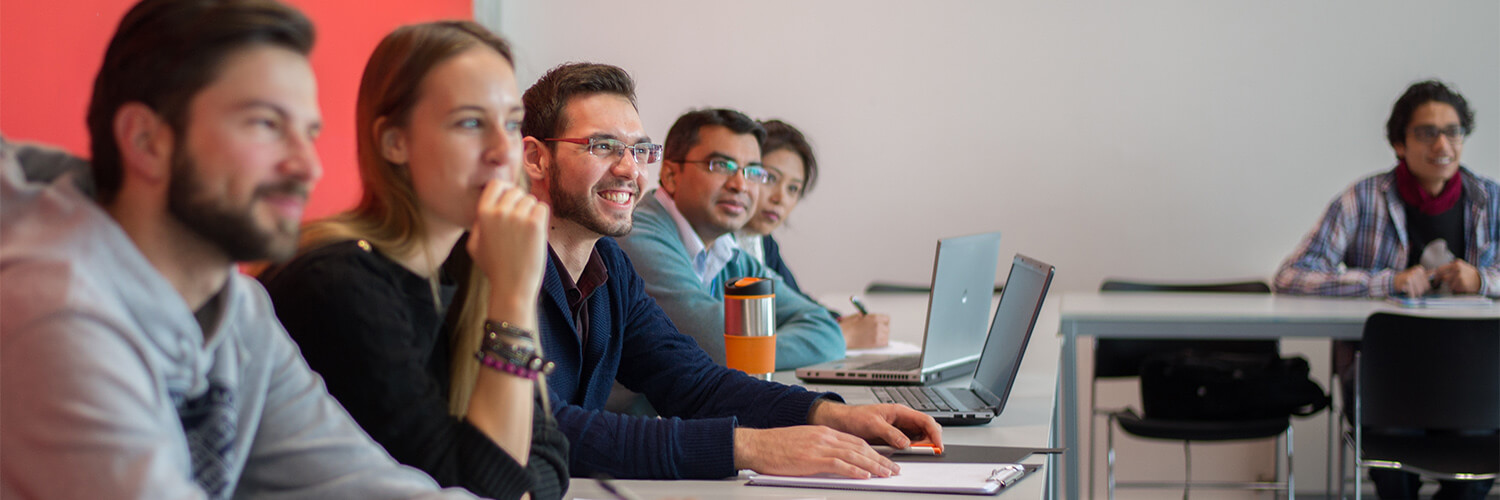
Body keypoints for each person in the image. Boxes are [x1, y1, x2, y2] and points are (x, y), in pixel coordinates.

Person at [0, 1, 475, 498]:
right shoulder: (56, 313)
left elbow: (365, 486)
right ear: (146, 141)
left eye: (309, 132)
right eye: (266, 124)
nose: (307, 165)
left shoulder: (238, 311)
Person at [519, 61, 942, 480]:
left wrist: (829, 414)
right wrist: (750, 446)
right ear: (537, 158)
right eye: (603, 146)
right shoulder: (496, 267)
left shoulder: (609, 264)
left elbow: (695, 383)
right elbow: (545, 430)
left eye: (639, 151)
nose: (631, 170)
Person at [260, 22, 568, 499]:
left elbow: (548, 449)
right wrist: (512, 296)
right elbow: (473, 489)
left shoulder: (469, 264)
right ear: (393, 142)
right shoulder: (335, 285)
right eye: (470, 122)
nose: (500, 152)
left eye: (510, 123)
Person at [1274, 79, 1498, 500]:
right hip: (1387, 379)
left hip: (1473, 379)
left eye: (1453, 131)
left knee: (1480, 451)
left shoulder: (1490, 200)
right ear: (1399, 143)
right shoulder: (1363, 199)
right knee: (1390, 445)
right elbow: (1291, 275)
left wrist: (1484, 280)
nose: (1442, 144)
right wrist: (1384, 282)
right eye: (1427, 132)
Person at [614, 109, 843, 369]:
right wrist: (760, 347)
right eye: (721, 166)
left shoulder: (729, 253)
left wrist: (750, 348)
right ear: (670, 175)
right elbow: (719, 347)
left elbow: (826, 331)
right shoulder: (637, 235)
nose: (740, 185)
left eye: (753, 172)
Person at [738, 118, 890, 349]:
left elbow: (797, 302)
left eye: (793, 189)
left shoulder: (763, 243)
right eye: (770, 178)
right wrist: (841, 336)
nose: (780, 198)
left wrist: (841, 322)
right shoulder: (717, 242)